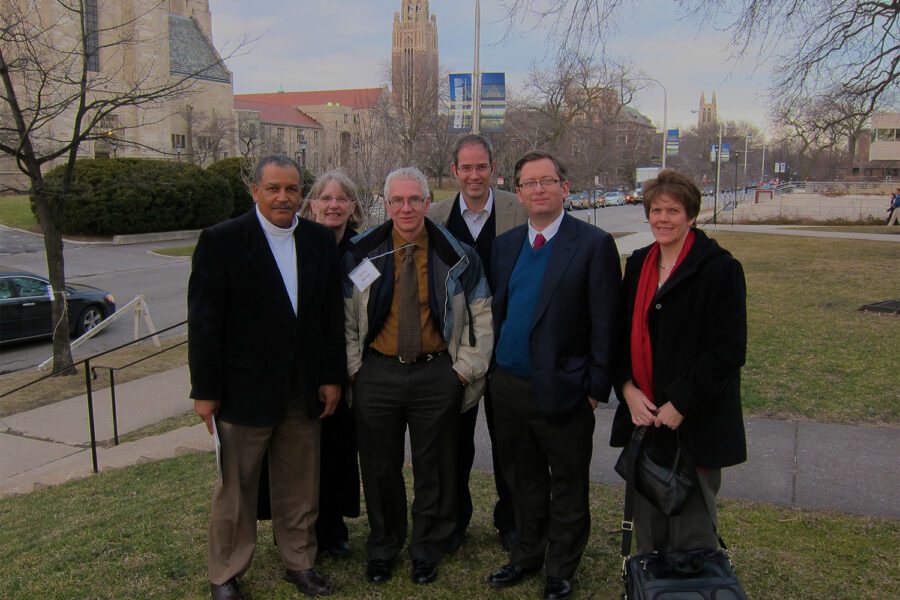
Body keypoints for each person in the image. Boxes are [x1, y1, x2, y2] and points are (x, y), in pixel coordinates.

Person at [189, 155, 345, 600]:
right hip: (243, 391)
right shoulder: (222, 241)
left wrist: (331, 376)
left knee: (299, 484)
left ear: (302, 194)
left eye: (292, 189)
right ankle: (225, 572)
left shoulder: (318, 240)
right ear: (255, 190)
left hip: (302, 389)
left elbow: (329, 318)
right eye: (274, 188)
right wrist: (205, 391)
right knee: (235, 489)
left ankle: (300, 561)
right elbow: (203, 322)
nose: (283, 197)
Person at [344, 166, 493, 586]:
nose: (405, 208)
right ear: (386, 204)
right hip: (377, 374)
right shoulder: (362, 252)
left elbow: (482, 318)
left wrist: (462, 372)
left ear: (428, 203)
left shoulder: (458, 254)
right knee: (378, 467)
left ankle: (427, 548)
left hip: (436, 376)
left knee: (436, 468)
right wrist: (355, 370)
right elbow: (345, 318)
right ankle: (384, 546)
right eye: (397, 200)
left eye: (414, 200)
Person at [486, 151, 621, 600]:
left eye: (547, 180)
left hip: (565, 389)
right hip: (508, 388)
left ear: (565, 187)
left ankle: (560, 569)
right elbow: (499, 313)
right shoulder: (505, 246)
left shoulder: (592, 245)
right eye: (529, 182)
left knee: (566, 482)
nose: (538, 189)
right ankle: (526, 555)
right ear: (518, 191)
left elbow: (606, 323)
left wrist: (594, 389)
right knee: (522, 480)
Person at [610, 168, 747, 555]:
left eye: (672, 211)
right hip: (645, 416)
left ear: (691, 215)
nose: (663, 219)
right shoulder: (638, 265)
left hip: (693, 422)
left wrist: (682, 402)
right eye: (656, 210)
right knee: (649, 531)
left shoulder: (720, 269)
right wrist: (627, 388)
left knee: (691, 535)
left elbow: (727, 350)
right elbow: (619, 336)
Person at [257, 171, 365, 557]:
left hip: (344, 367)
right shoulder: (294, 244)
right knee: (293, 456)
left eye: (342, 198)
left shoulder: (365, 249)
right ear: (312, 204)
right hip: (297, 368)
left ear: (352, 207)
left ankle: (332, 529)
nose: (333, 205)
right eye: (325, 198)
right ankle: (293, 529)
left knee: (335, 452)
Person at [427, 133, 527, 552]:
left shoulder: (517, 210)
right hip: (455, 352)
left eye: (480, 167)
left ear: (492, 168)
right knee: (453, 444)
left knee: (510, 443)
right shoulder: (434, 215)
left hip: (506, 346)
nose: (473, 175)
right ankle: (453, 523)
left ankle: (513, 522)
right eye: (465, 167)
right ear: (454, 171)